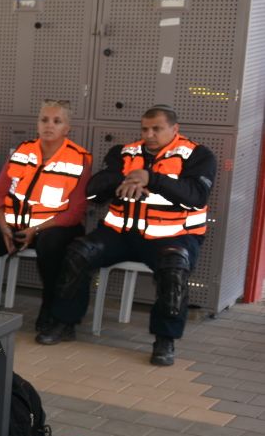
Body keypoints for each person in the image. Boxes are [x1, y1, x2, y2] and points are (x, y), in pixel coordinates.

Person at [48, 106, 213, 364]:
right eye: (145, 129)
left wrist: (151, 179)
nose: (149, 135)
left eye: (156, 129)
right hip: (120, 234)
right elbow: (93, 193)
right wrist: (124, 179)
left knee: (174, 268)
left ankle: (165, 340)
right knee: (78, 253)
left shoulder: (198, 155)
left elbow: (195, 197)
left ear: (174, 129)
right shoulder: (124, 153)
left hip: (173, 236)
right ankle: (64, 322)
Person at [0, 100, 91, 332]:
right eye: (44, 120)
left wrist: (35, 230)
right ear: (37, 124)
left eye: (57, 121)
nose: (49, 125)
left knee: (50, 246)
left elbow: (75, 212)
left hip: (54, 228)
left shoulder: (79, 158)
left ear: (67, 128)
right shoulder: (22, 152)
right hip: (15, 225)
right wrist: (4, 227)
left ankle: (49, 309)